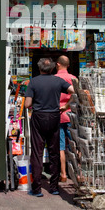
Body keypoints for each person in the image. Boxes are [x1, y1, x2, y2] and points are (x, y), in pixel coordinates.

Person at [24, 57, 74, 197]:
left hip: (39, 116)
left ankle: (37, 188)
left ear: (39, 68)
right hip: (54, 116)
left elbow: (27, 104)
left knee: (37, 152)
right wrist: (66, 106)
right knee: (54, 151)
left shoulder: (33, 81)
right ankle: (54, 187)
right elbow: (73, 91)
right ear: (52, 68)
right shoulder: (58, 81)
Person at [55, 55, 77, 183]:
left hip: (58, 115)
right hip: (71, 115)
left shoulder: (54, 79)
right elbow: (75, 95)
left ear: (58, 64)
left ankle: (63, 174)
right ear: (68, 65)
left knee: (60, 146)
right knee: (75, 145)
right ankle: (77, 173)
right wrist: (67, 106)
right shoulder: (73, 79)